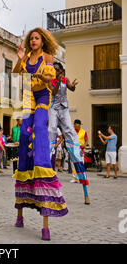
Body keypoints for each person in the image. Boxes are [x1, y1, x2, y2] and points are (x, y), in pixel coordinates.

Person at [12, 27, 68, 241]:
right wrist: (19, 58)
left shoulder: (48, 57)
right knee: (24, 136)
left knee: (38, 129)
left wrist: (41, 76)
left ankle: (43, 165)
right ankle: (20, 209)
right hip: (28, 98)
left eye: (37, 38)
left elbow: (51, 84)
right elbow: (17, 72)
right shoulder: (26, 57)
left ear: (43, 41)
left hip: (43, 97)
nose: (34, 40)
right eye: (31, 38)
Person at [48, 62, 90, 203]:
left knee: (70, 131)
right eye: (54, 69)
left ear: (62, 70)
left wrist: (73, 85)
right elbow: (52, 92)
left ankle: (76, 155)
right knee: (52, 129)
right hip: (54, 108)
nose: (56, 71)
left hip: (64, 108)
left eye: (57, 69)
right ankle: (49, 151)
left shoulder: (65, 79)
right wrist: (58, 82)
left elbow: (71, 89)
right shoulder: (51, 80)